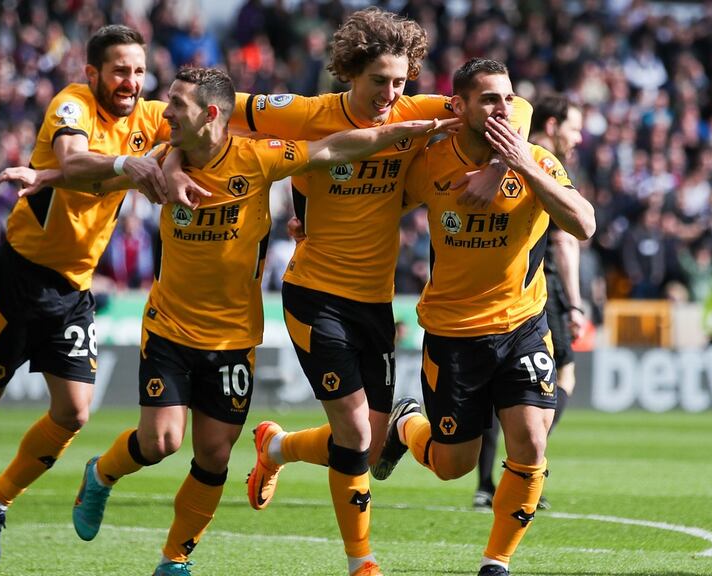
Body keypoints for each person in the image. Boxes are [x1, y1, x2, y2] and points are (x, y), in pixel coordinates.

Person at [63, 67, 454, 576]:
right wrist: (50, 174)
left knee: (214, 456)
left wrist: (402, 132)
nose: (166, 112)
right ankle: (102, 474)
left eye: (176, 105)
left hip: (233, 336)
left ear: (208, 114)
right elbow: (92, 174)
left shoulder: (259, 156)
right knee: (161, 441)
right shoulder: (160, 162)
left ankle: (174, 561)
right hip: (170, 327)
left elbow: (334, 149)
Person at [163, 9, 508, 576]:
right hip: (314, 294)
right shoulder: (304, 115)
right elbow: (203, 112)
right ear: (351, 72)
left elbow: (510, 104)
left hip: (376, 301)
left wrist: (496, 166)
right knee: (352, 433)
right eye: (380, 82)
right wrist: (175, 157)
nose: (392, 94)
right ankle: (362, 563)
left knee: (366, 450)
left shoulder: (419, 111)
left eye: (401, 82)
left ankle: (276, 447)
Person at [0, 25, 172, 566]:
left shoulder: (149, 116)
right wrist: (124, 166)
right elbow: (72, 162)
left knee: (73, 413)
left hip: (73, 290)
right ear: (92, 73)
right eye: (119, 70)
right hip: (16, 278)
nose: (130, 82)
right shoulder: (72, 104)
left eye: (138, 71)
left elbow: (206, 115)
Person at [374, 58, 595, 576]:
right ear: (460, 106)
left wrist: (519, 166)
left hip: (522, 325)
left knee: (532, 441)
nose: (502, 108)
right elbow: (377, 203)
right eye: (489, 99)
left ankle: (497, 562)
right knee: (453, 466)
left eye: (507, 99)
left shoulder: (535, 159)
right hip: (453, 335)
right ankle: (407, 424)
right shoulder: (430, 164)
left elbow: (583, 223)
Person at [473, 94, 585, 511]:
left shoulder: (500, 150)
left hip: (493, 284)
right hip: (540, 287)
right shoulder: (542, 163)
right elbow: (564, 237)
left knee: (492, 389)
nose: (578, 138)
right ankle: (520, 467)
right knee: (563, 376)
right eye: (573, 128)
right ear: (552, 124)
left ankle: (488, 482)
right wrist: (574, 304)